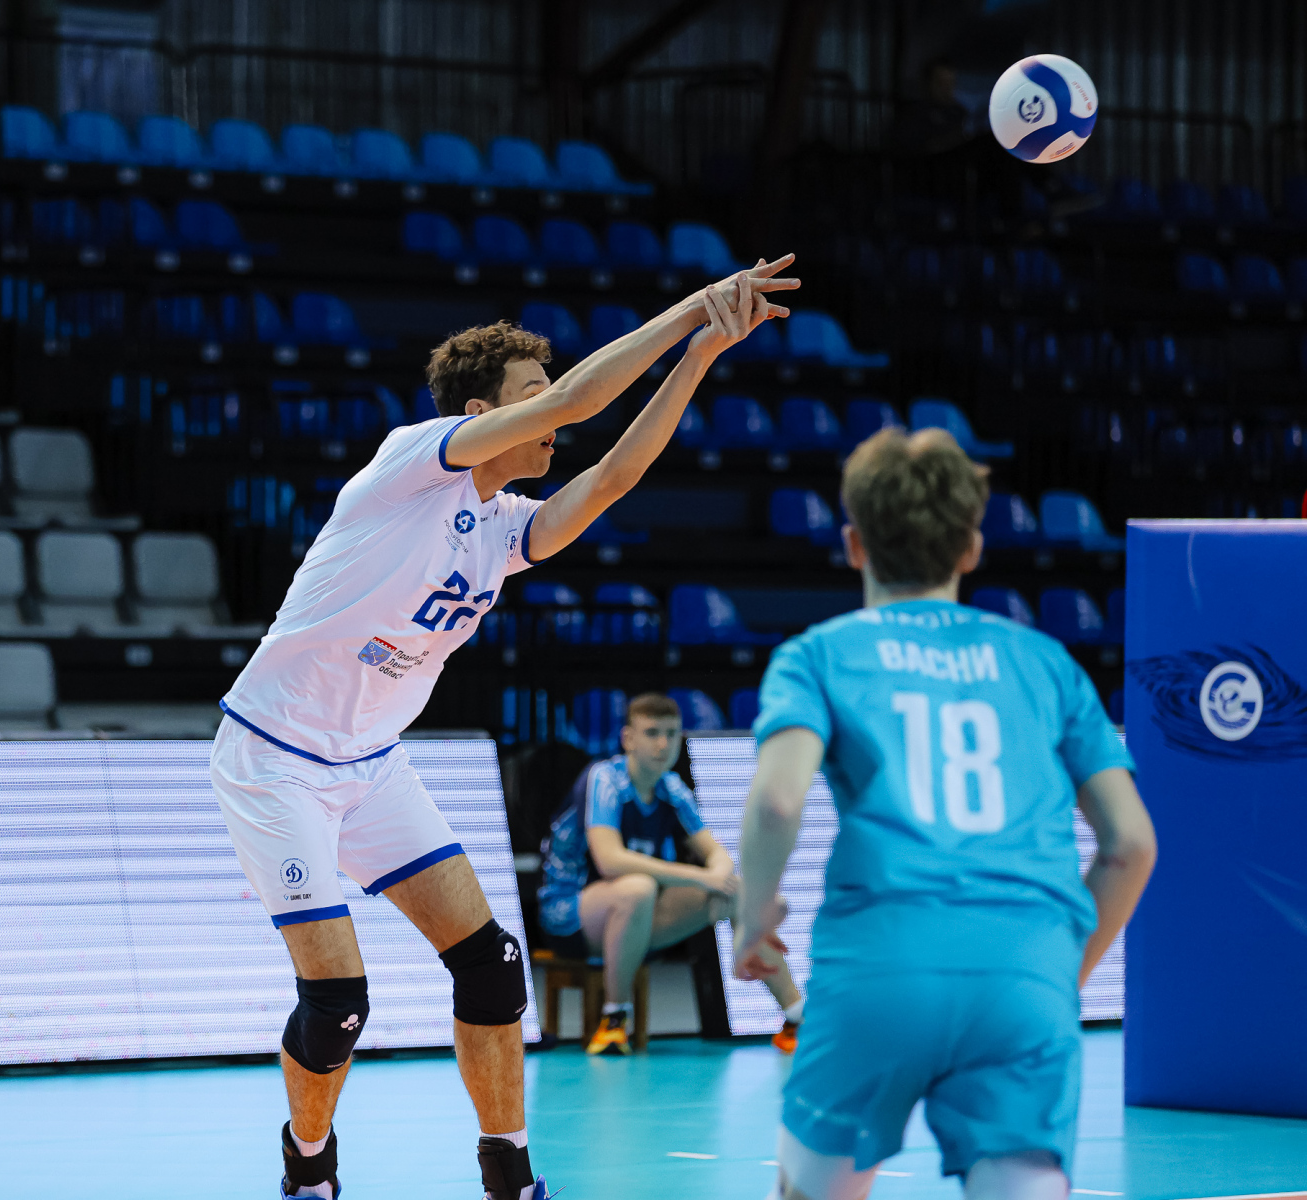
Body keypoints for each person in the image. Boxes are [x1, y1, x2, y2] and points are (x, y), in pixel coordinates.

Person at [213, 258, 799, 1200]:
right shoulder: (413, 462)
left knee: (492, 967)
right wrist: (693, 304)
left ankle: (509, 1176)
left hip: (371, 767)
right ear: (485, 414)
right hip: (275, 761)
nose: (553, 417)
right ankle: (309, 1168)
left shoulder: (499, 526)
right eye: (532, 397)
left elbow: (613, 478)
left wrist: (702, 353)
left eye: (546, 393)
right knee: (338, 1000)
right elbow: (577, 401)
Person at [732, 427, 1158, 1200]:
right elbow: (1129, 844)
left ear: (854, 544)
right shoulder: (1046, 662)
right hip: (1025, 974)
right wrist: (1058, 972)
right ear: (971, 547)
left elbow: (776, 800)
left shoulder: (818, 654)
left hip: (879, 967)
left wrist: (754, 916)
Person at [538, 691, 804, 1056]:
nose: (663, 744)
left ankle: (795, 1019)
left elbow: (717, 854)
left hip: (637, 918)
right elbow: (610, 861)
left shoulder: (671, 787)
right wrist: (699, 877)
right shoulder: (605, 779)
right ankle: (614, 1021)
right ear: (628, 738)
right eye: (652, 733)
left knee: (738, 893)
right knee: (637, 887)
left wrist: (727, 884)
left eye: (671, 733)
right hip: (569, 915)